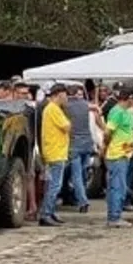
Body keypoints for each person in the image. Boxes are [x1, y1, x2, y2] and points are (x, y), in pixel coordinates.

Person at [38, 84, 71, 227]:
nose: (67, 98)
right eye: (65, 95)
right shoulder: (53, 109)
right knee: (54, 185)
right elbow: (66, 126)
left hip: (55, 151)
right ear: (59, 95)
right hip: (55, 152)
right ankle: (46, 213)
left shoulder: (51, 109)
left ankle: (50, 212)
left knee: (54, 184)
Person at [103, 88, 133, 228]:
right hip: (117, 154)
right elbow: (108, 132)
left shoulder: (127, 113)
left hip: (125, 153)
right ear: (127, 98)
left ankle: (114, 215)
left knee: (118, 186)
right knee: (118, 187)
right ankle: (114, 217)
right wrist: (106, 144)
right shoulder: (117, 112)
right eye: (132, 98)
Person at [64, 85, 94, 213]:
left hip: (74, 143)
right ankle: (81, 196)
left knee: (76, 175)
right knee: (82, 173)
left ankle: (82, 201)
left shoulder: (65, 106)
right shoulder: (86, 104)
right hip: (87, 142)